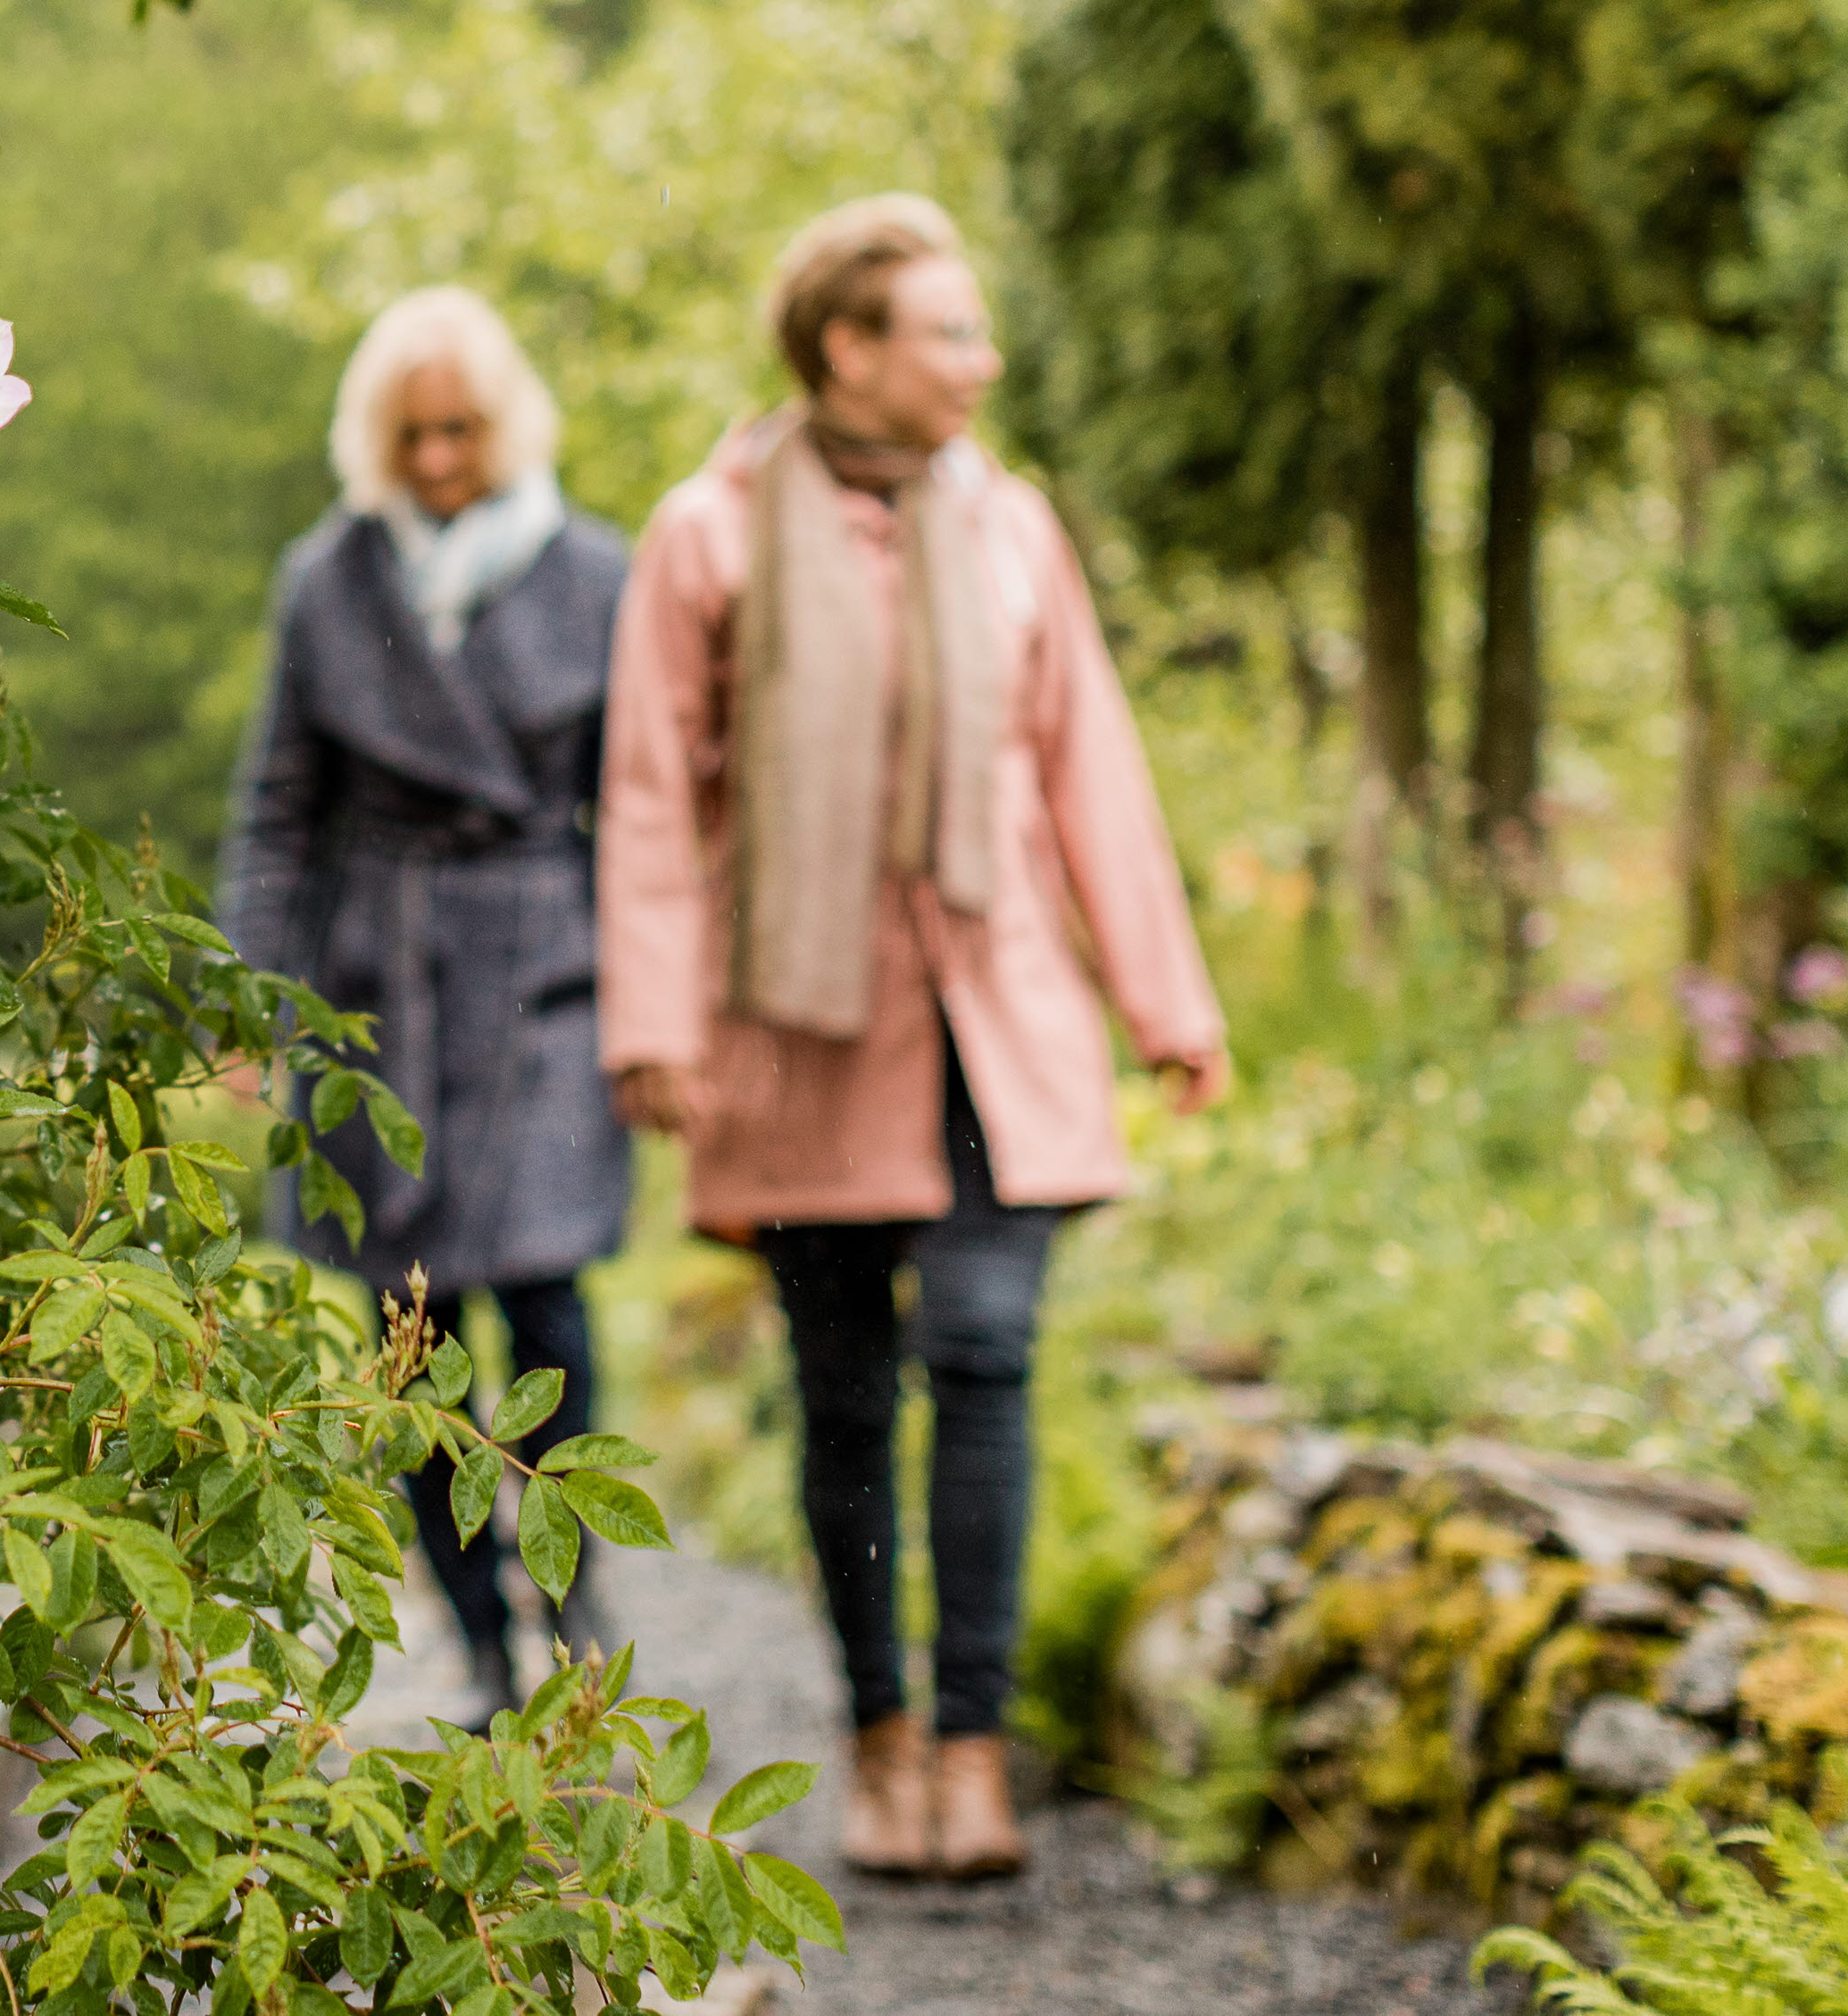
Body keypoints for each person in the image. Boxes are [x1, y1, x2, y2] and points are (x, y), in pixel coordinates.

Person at [594, 197, 1227, 1880]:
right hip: (801, 1027)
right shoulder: (708, 533)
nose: (982, 360)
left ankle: (973, 1744)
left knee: (990, 1348)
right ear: (844, 348)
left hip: (996, 1012)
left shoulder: (1012, 524)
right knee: (846, 1391)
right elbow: (652, 794)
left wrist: (1168, 1000)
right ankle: (874, 1733)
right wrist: (650, 1021)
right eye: (947, 331)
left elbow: (1092, 761)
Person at [221, 287, 635, 1715]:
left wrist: (661, 1012)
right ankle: (478, 1641)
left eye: (462, 429)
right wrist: (251, 1002)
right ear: (377, 438)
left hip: (542, 970)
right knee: (416, 1324)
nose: (442, 457)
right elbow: (278, 809)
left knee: (550, 1290)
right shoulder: (326, 579)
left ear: (503, 422)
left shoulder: (595, 572)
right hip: (378, 975)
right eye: (415, 435)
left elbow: (639, 814)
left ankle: (581, 1617)